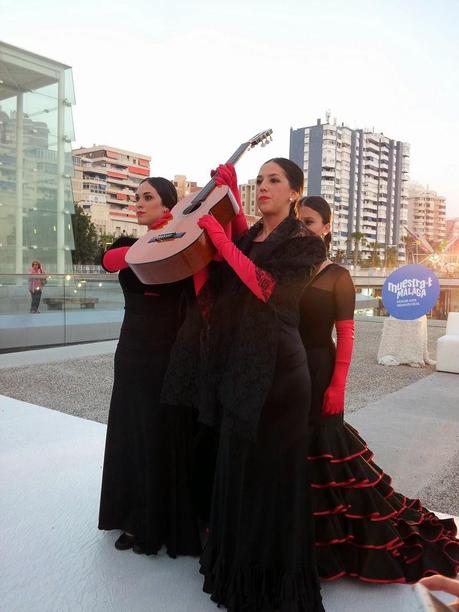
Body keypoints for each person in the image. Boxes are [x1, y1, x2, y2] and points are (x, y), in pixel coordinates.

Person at [163, 159, 326, 611]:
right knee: (237, 470)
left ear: (295, 192)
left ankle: (271, 584)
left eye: (274, 180)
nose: (264, 187)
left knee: (270, 476)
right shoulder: (250, 235)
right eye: (258, 182)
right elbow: (236, 256)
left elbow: (266, 285)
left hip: (280, 373)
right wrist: (228, 204)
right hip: (240, 367)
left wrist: (220, 238)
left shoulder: (305, 242)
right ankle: (238, 573)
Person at [298, 195, 459, 583]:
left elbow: (347, 333)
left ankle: (334, 539)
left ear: (327, 227)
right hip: (287, 368)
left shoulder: (337, 274)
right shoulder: (289, 269)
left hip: (319, 364)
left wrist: (338, 383)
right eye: (298, 220)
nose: (302, 227)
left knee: (326, 446)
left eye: (309, 221)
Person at [98, 176, 202, 558]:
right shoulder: (129, 244)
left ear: (167, 204)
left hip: (170, 352)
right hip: (131, 352)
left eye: (148, 197)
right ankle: (130, 515)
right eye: (136, 197)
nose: (138, 203)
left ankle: (160, 520)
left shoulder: (183, 245)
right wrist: (153, 239)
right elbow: (107, 262)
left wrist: (172, 234)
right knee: (130, 431)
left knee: (162, 433)